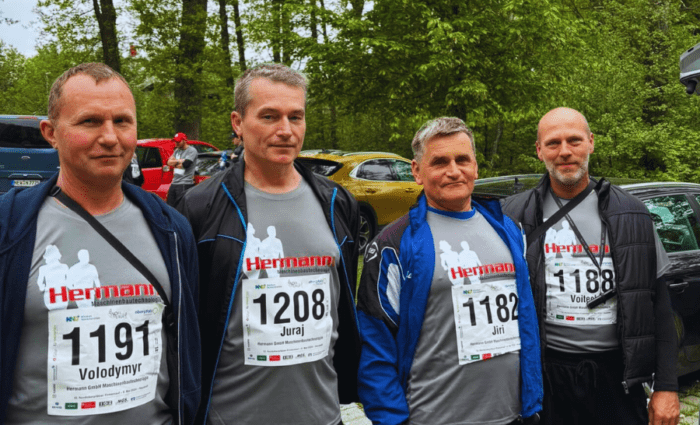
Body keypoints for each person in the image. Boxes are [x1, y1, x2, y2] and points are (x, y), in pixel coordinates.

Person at [0, 62, 201, 424]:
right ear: (51, 132)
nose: (110, 137)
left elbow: (185, 349)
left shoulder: (171, 228)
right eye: (90, 121)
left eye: (122, 121)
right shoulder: (9, 228)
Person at [176, 63, 361, 425]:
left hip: (323, 415)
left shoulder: (337, 202)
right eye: (270, 116)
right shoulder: (200, 206)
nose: (286, 131)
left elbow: (344, 309)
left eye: (296, 117)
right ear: (237, 123)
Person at [356, 117, 543, 425]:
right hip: (433, 417)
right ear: (417, 172)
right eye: (439, 162)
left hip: (513, 416)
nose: (454, 171)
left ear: (476, 167)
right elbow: (376, 345)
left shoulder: (508, 230)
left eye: (462, 160)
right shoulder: (394, 244)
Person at [501, 107, 679, 425]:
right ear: (539, 150)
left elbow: (661, 307)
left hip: (618, 378)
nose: (565, 151)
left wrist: (666, 387)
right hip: (547, 377)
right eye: (553, 143)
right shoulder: (513, 216)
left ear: (591, 142)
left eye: (574, 140)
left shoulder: (633, 214)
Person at [166, 132, 198, 207]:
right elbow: (168, 162)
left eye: (178, 141)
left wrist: (176, 162)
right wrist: (179, 161)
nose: (176, 143)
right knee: (170, 206)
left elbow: (186, 164)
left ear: (184, 140)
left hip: (185, 183)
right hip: (174, 182)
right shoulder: (177, 150)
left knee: (181, 207)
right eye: (175, 141)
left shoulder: (191, 151)